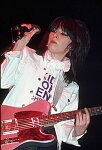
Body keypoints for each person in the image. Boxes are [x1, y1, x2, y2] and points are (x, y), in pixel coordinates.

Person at [1, 16, 90, 150]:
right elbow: (3, 81)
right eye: (54, 30)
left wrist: (78, 131)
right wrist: (19, 46)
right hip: (9, 132)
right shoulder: (26, 55)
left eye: (63, 33)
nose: (55, 35)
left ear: (72, 45)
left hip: (43, 143)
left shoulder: (70, 86)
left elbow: (64, 128)